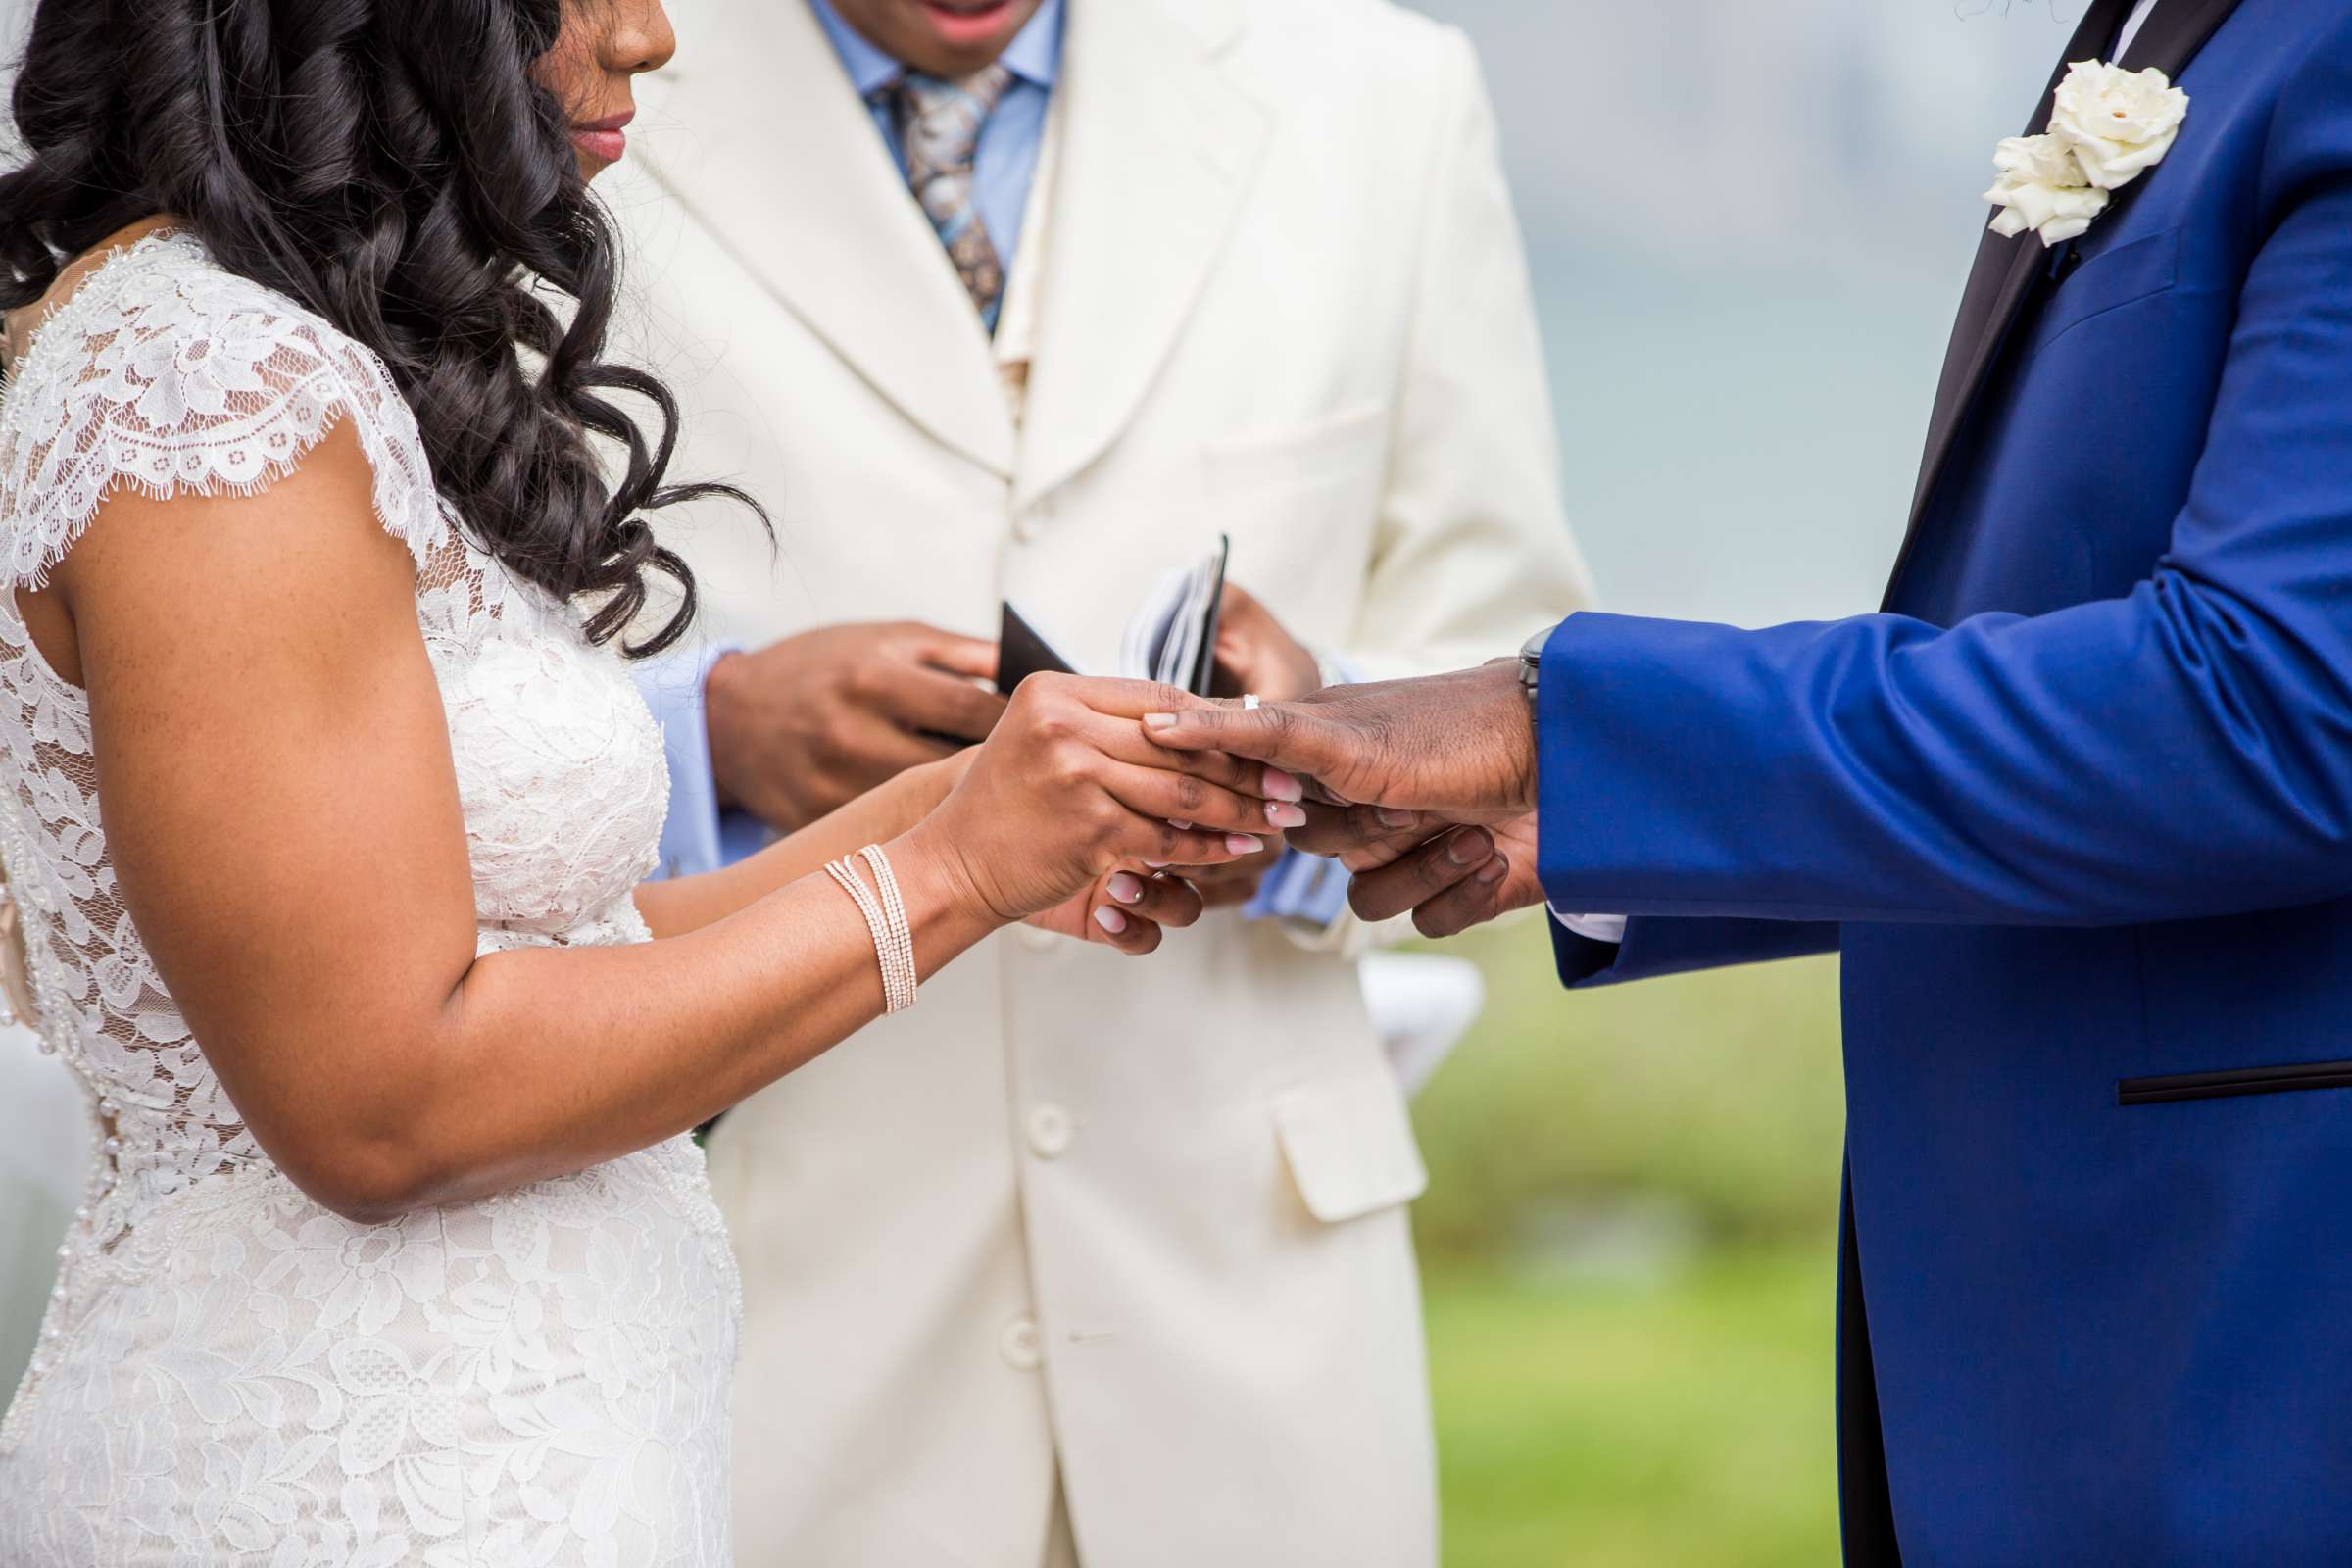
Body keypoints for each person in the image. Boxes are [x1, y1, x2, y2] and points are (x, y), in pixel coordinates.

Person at [0, 2, 1275, 1562]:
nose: (653, 33)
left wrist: (981, 816)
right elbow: (385, 1100)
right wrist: (951, 879)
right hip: (349, 1489)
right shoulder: (208, 390)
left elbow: (553, 965)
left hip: (507, 1466)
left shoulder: (293, 346)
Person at [1145, 0, 2352, 1560]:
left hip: (2253, 1339)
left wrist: (1559, 728)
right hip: (2080, 1338)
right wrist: (1577, 815)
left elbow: (2275, 705)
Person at [602, 0, 1592, 1560]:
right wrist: (704, 735)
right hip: (766, 1302)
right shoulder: (578, 80)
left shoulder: (1383, 94)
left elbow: (1510, 654)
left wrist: (1326, 756)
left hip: (1252, 1332)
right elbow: (424, 671)